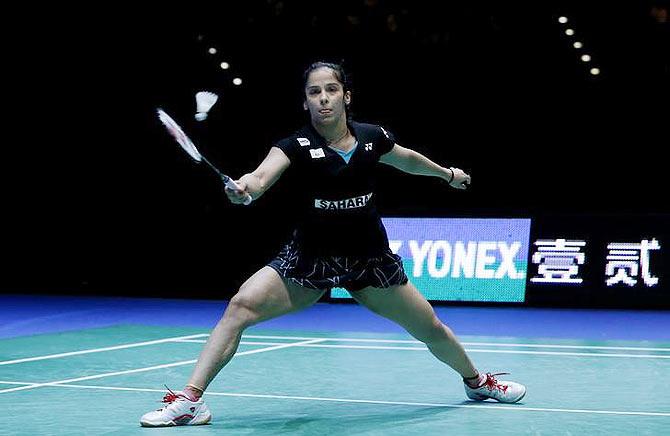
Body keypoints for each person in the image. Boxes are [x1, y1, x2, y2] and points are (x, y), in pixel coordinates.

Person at [140, 61, 526, 427]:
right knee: (240, 307)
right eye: (314, 92)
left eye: (330, 89)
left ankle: (477, 383)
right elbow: (259, 178)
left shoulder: (373, 138)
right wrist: (245, 190)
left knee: (431, 328)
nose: (323, 97)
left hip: (369, 259)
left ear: (346, 96)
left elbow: (406, 159)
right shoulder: (294, 145)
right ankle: (191, 401)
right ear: (305, 101)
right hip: (311, 259)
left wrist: (447, 174)